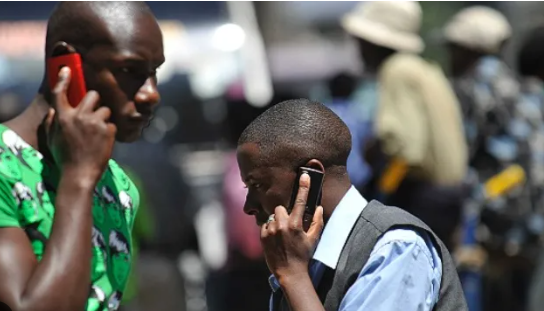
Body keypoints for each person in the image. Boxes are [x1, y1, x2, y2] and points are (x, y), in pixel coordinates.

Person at [0, 2, 164, 311]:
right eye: (130, 70)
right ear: (64, 63)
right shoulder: (4, 168)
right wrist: (77, 180)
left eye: (154, 72)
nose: (151, 93)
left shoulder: (119, 185)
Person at [237, 98, 467, 311]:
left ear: (309, 177)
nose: (249, 206)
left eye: (257, 185)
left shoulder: (395, 247)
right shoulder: (304, 255)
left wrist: (294, 277)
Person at [341, 1, 468, 248]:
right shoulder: (425, 69)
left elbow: (405, 147)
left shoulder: (396, 70)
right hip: (447, 197)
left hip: (423, 197)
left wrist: (375, 150)